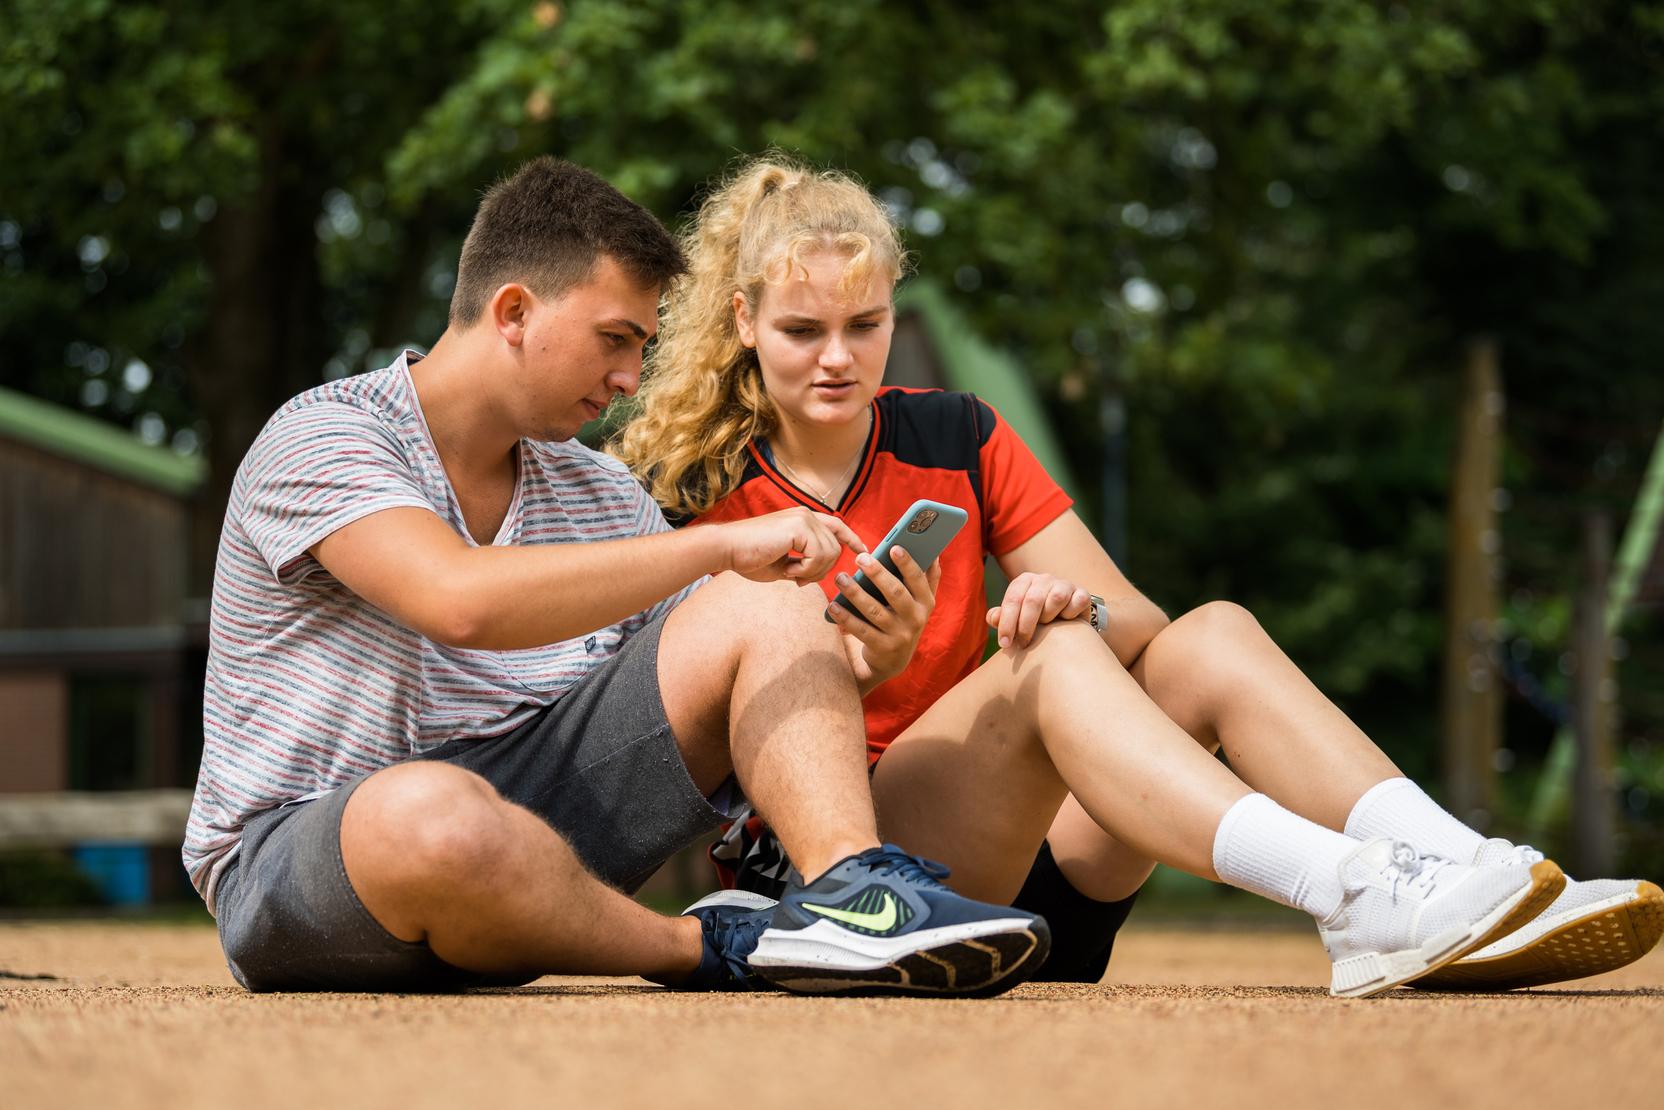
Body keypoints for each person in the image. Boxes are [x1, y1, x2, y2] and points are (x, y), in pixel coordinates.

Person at [612, 155, 1662, 995]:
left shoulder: (953, 433)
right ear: (744, 322)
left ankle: (1466, 872)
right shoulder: (686, 487)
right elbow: (678, 738)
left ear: (894, 312)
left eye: (864, 325)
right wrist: (851, 664)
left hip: (1036, 865)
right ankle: (1350, 896)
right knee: (1042, 665)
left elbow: (1139, 626)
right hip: (860, 892)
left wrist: (1064, 603)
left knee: (1204, 632)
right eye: (801, 330)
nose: (836, 358)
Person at [182, 156, 1057, 998]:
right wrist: (716, 546)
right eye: (615, 340)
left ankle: (853, 898)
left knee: (765, 604)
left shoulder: (597, 488)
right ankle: (715, 944)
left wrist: (874, 661)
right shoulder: (325, 435)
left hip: (544, 845)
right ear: (515, 311)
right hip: (312, 861)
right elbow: (458, 601)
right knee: (430, 814)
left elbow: (739, 673)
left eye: (641, 346)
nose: (630, 378)